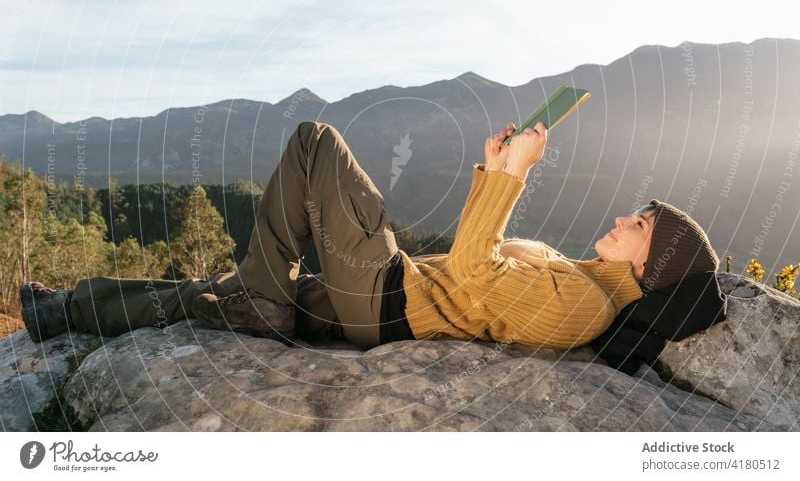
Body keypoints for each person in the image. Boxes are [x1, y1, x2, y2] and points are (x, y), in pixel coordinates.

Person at [19, 120, 721, 354]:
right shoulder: (571, 273)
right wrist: (495, 168)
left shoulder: (585, 307)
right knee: (211, 294)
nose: (626, 220)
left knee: (314, 142)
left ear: (652, 265)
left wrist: (511, 179)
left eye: (641, 227)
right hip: (381, 295)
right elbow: (483, 265)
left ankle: (262, 298)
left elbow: (475, 274)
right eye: (637, 213)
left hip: (387, 302)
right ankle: (64, 311)